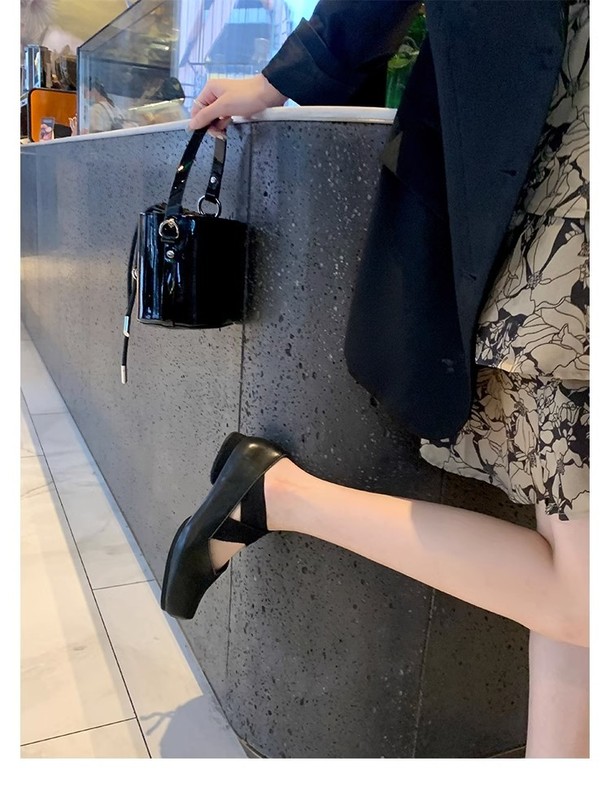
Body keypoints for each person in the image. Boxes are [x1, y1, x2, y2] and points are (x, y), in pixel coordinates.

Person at [160, 0, 589, 759]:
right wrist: (281, 78)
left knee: (577, 584)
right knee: (585, 595)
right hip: (573, 177)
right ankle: (282, 496)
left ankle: (277, 496)